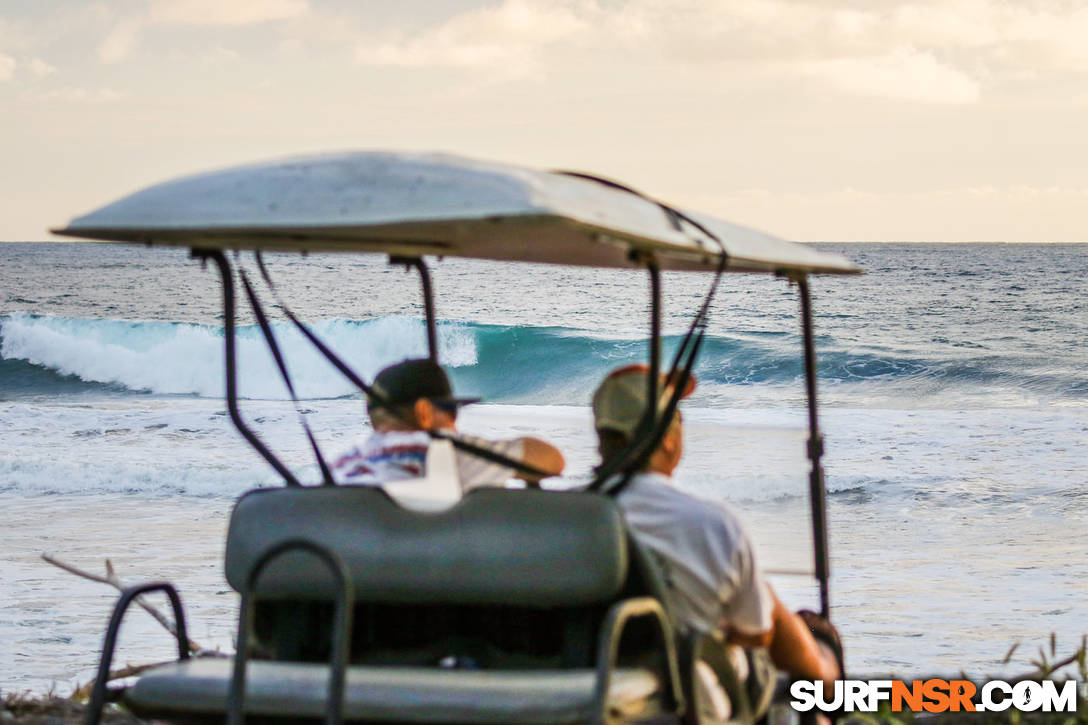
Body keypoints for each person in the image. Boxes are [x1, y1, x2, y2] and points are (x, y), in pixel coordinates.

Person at [591, 364, 842, 720]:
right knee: (795, 642)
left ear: (602, 437)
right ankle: (827, 670)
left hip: (588, 673)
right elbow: (756, 636)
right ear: (668, 439)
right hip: (691, 689)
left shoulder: (563, 520)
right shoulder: (711, 524)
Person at [332, 357, 565, 489]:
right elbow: (552, 461)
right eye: (451, 413)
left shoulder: (341, 465)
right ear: (424, 412)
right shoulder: (445, 454)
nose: (455, 426)